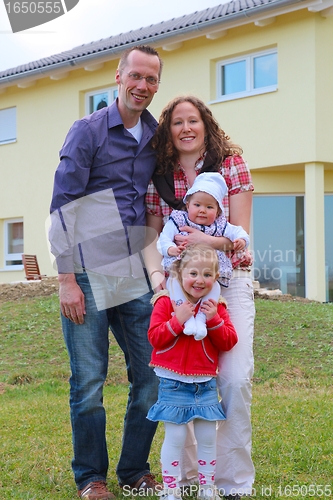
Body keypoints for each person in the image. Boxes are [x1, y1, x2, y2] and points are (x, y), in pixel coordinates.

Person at [49, 45, 164, 500]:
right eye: (136, 75)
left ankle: (134, 469)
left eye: (152, 79)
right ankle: (91, 478)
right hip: (83, 268)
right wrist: (64, 280)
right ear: (118, 76)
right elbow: (62, 205)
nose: (142, 86)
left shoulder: (156, 136)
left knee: (152, 375)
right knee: (90, 381)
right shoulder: (88, 131)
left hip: (131, 270)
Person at [146, 95, 255, 499]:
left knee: (233, 376)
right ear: (168, 131)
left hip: (229, 280)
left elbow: (240, 235)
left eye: (193, 120)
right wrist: (159, 275)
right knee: (181, 372)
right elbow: (153, 235)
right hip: (178, 281)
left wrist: (202, 240)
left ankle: (234, 482)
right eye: (177, 122)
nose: (186, 128)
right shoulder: (160, 174)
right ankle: (189, 477)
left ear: (206, 124)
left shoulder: (231, 164)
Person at [147, 244, 238, 500]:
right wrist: (177, 320)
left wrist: (214, 321)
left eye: (208, 275)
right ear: (179, 272)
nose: (200, 280)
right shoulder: (165, 302)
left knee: (208, 437)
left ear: (216, 277)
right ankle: (170, 490)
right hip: (173, 383)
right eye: (194, 273)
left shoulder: (216, 307)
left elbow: (229, 341)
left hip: (205, 384)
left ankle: (207, 490)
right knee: (175, 437)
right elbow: (155, 337)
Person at [158, 172, 249, 340]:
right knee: (174, 284)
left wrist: (242, 239)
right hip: (181, 270)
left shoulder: (220, 225)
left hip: (208, 272)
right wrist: (170, 249)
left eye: (209, 207)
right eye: (197, 204)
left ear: (218, 210)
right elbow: (163, 238)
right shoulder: (179, 220)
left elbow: (239, 230)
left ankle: (200, 319)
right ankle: (186, 318)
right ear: (188, 204)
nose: (202, 210)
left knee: (214, 288)